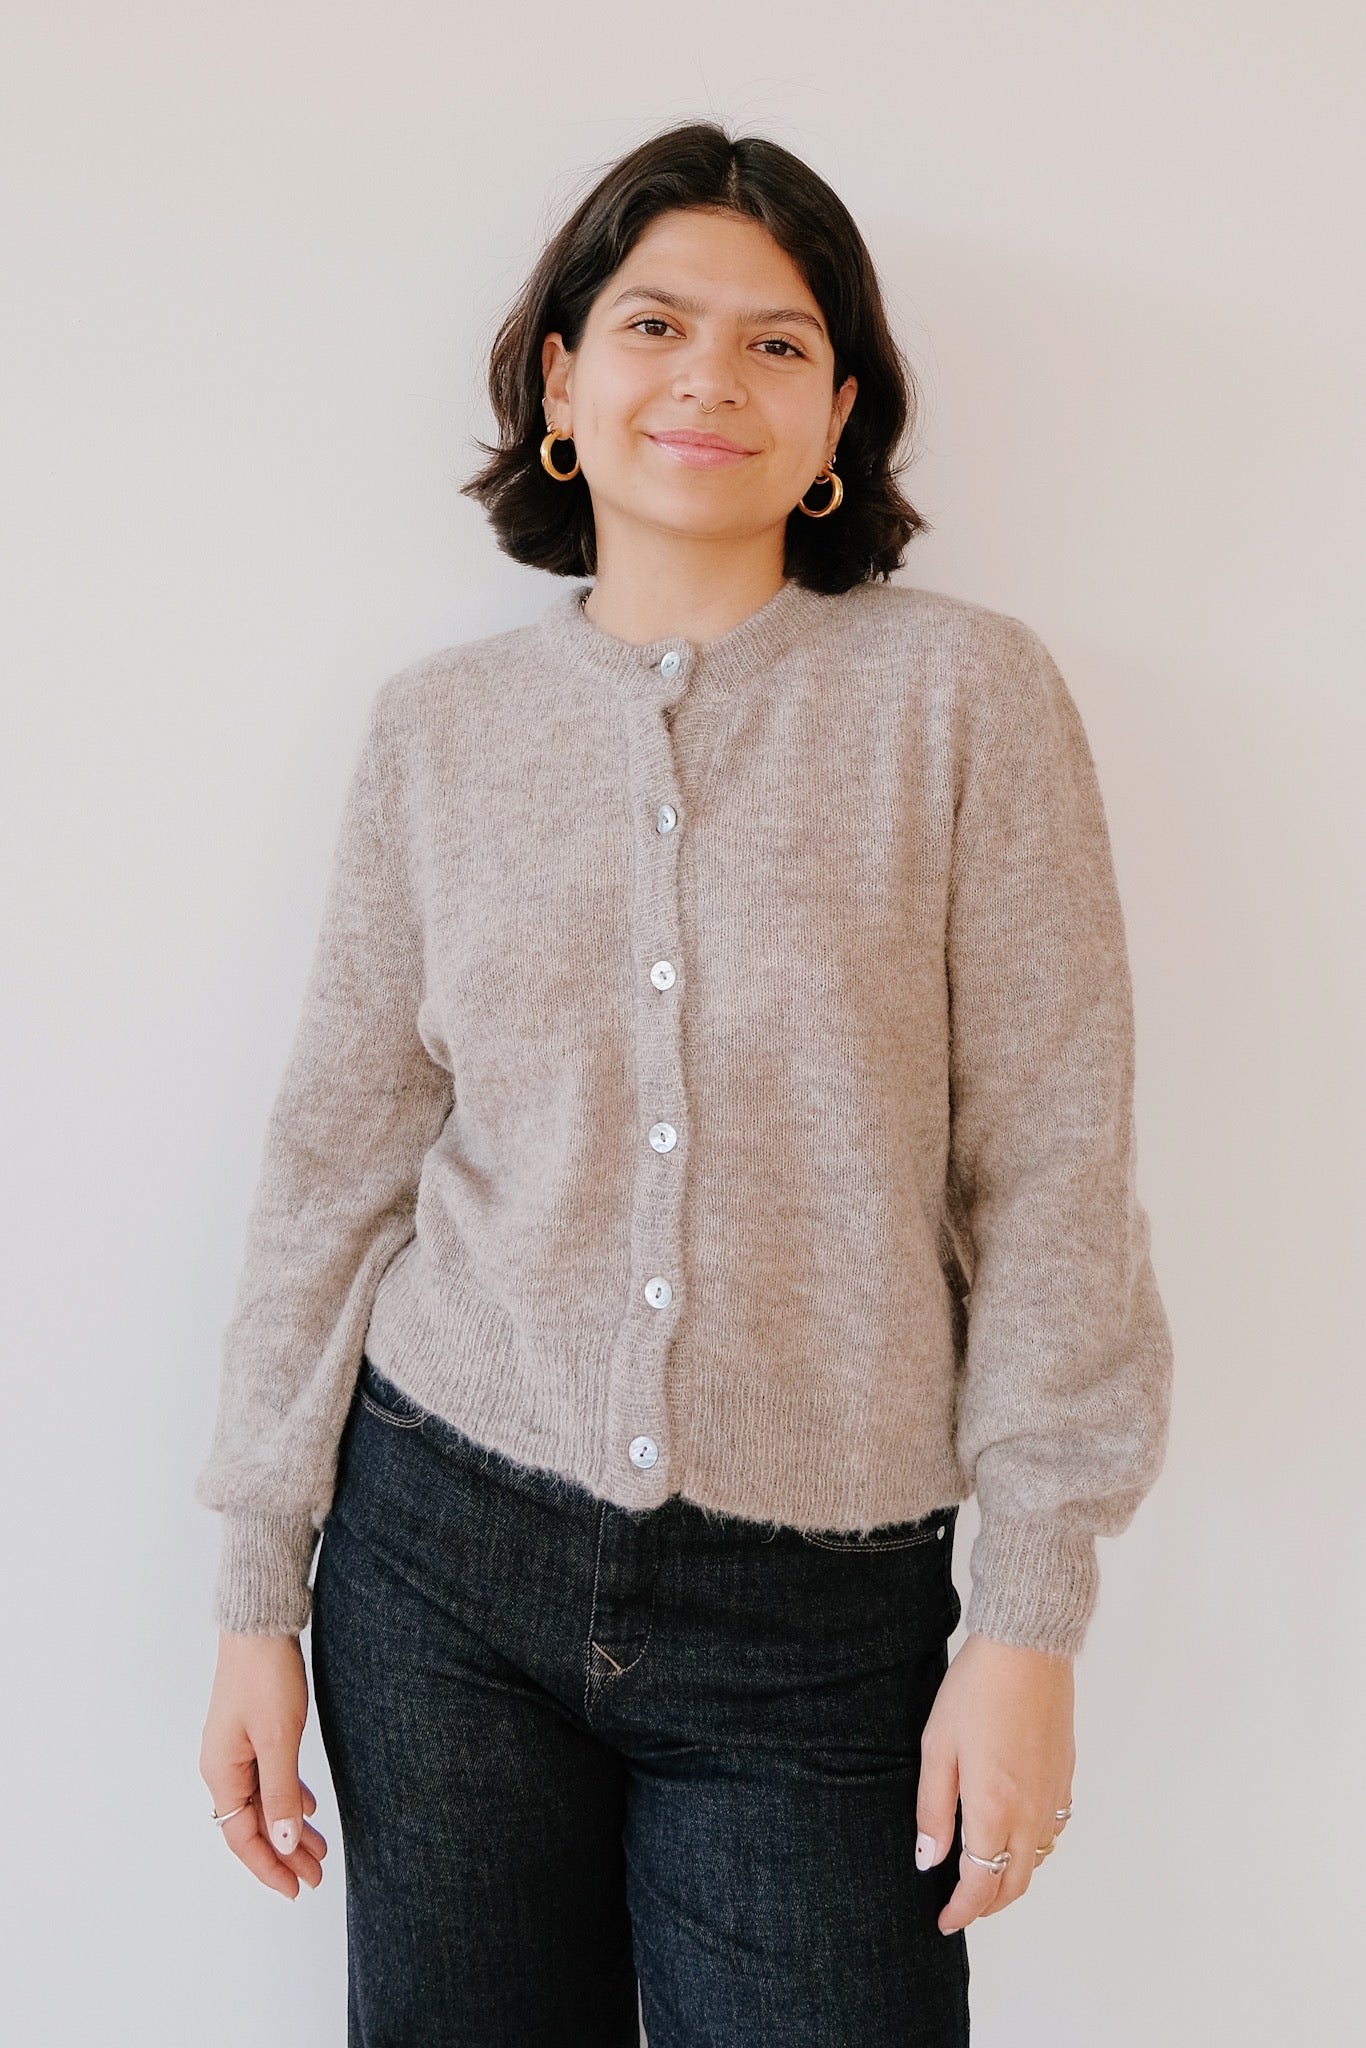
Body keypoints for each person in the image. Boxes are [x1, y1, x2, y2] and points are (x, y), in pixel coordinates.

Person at [196, 120, 1173, 2046]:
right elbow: (336, 1170)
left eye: (775, 342)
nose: (708, 376)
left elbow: (1052, 1170)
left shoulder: (964, 701)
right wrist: (254, 1594)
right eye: (653, 324)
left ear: (838, 421)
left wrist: (1026, 1621)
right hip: (438, 1565)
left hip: (823, 1616)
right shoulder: (436, 735)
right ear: (562, 382)